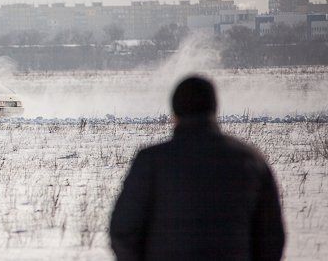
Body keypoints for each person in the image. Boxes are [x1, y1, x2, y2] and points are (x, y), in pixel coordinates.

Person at [109, 76, 285, 261]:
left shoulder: (151, 161)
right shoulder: (251, 160)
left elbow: (123, 231)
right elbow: (271, 237)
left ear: (174, 113)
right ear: (214, 109)